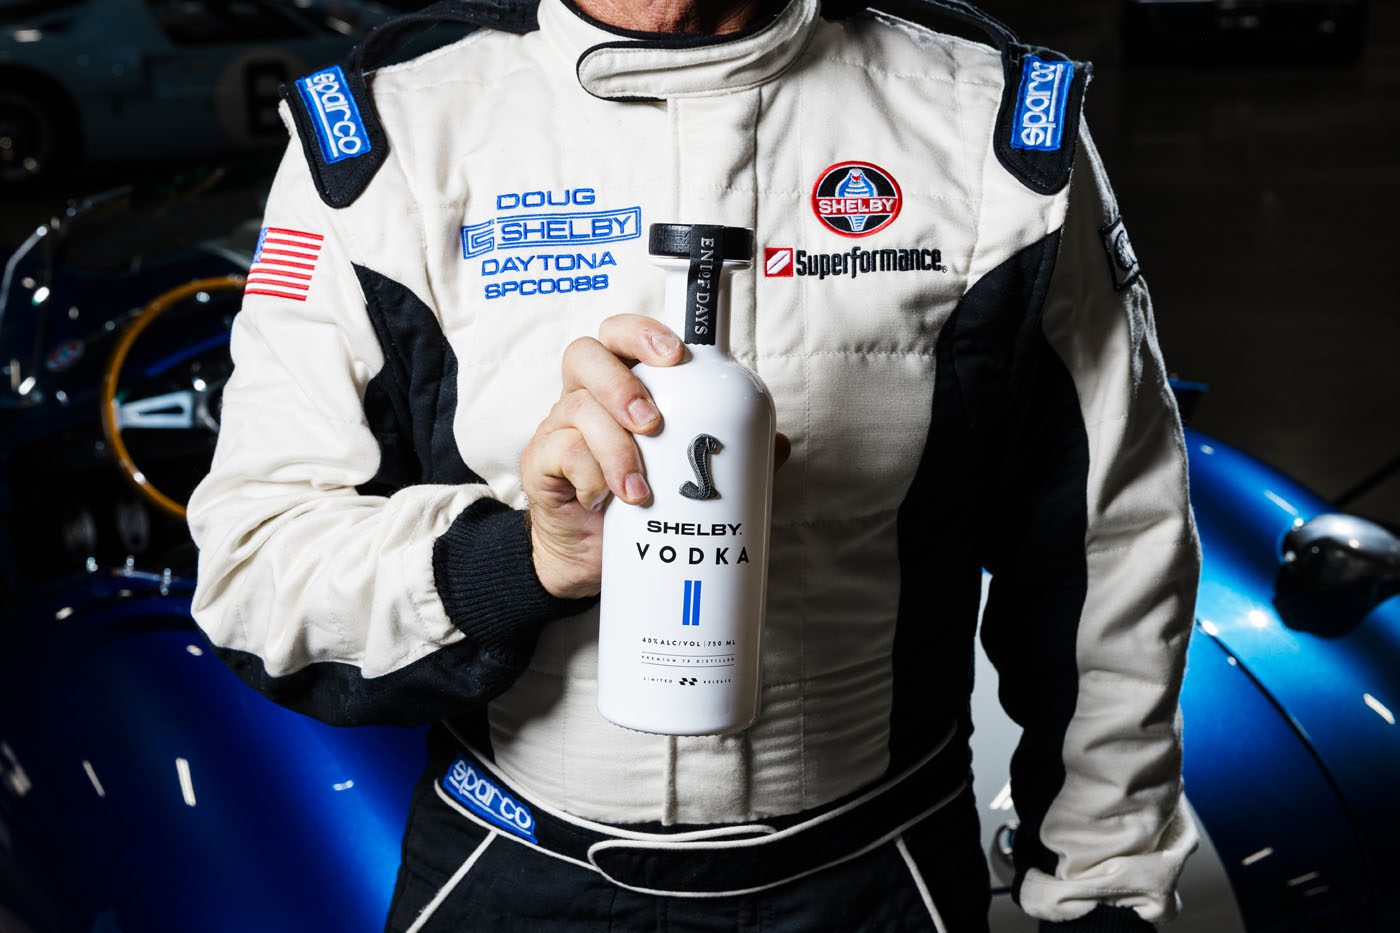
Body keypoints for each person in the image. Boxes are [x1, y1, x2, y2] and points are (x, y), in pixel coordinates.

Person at [187, 0, 1201, 928]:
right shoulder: (390, 137)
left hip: (875, 878)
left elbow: (1109, 539)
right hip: (509, 871)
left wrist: (1104, 883)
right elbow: (254, 568)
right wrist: (526, 558)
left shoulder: (991, 132)